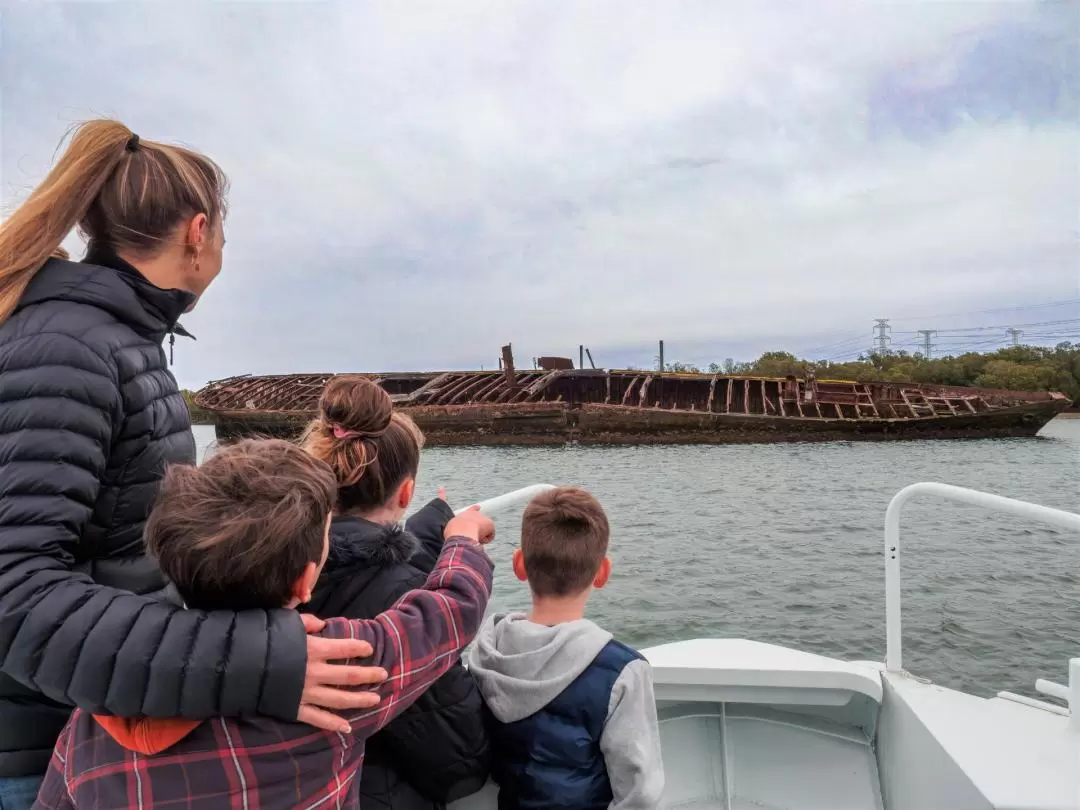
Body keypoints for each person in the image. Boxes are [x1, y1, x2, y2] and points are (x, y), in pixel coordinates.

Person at [0, 119, 385, 807]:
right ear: (198, 232)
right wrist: (257, 661)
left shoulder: (113, 338)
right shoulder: (68, 347)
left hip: (101, 717)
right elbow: (13, 593)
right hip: (38, 748)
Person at [32, 439, 496, 809]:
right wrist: (462, 540)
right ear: (305, 581)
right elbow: (450, 612)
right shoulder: (336, 671)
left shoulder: (102, 709)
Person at [302, 375, 490, 809]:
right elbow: (459, 760)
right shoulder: (402, 596)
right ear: (406, 491)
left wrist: (417, 543)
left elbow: (360, 564)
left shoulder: (276, 567)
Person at [468, 487, 665, 810]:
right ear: (602, 573)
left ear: (519, 565)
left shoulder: (486, 654)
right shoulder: (621, 671)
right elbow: (640, 792)